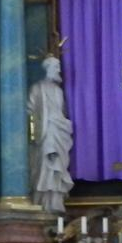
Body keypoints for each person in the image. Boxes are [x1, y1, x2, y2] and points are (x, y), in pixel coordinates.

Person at [27, 54, 74, 214]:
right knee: (46, 165)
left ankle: (55, 201)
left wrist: (62, 123)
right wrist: (34, 134)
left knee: (57, 166)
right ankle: (44, 202)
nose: (59, 70)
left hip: (58, 130)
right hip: (45, 132)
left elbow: (61, 111)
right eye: (56, 67)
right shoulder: (37, 88)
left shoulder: (58, 91)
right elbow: (30, 111)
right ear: (48, 69)